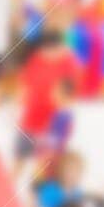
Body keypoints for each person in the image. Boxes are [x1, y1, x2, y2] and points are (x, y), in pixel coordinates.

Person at [12, 28, 81, 176]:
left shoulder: (68, 62)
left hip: (51, 123)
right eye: (44, 50)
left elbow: (70, 93)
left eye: (50, 51)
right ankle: (9, 191)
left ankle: (37, 191)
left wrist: (63, 119)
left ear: (58, 48)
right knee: (20, 158)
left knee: (43, 167)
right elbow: (24, 85)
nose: (45, 54)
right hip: (31, 118)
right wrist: (17, 106)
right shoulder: (36, 59)